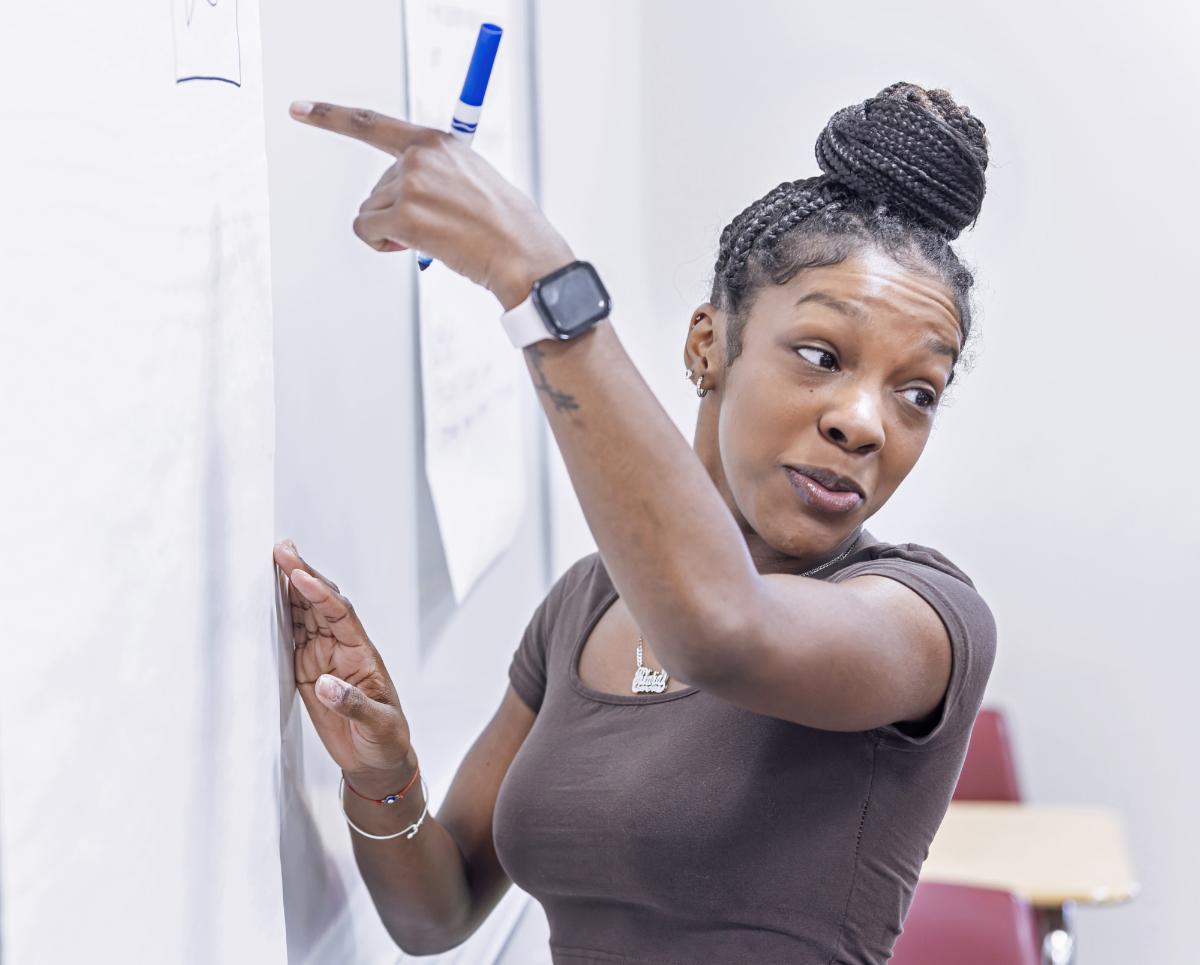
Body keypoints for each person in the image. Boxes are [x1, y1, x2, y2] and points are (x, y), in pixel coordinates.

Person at [272, 80, 998, 964]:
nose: (865, 421)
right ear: (707, 345)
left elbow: (723, 630)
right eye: (821, 354)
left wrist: (535, 279)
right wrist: (381, 774)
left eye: (917, 391)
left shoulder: (924, 621)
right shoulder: (587, 603)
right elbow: (437, 913)